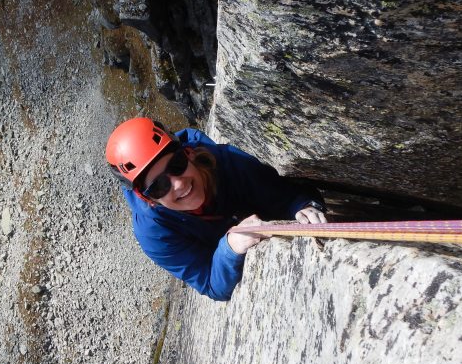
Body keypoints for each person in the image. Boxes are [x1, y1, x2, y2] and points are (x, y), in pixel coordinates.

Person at [105, 117, 327, 301]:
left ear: (187, 153)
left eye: (177, 164)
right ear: (147, 198)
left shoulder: (226, 160)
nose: (178, 183)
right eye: (159, 186)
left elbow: (284, 194)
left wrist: (304, 206)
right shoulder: (155, 234)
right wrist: (229, 247)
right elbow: (210, 284)